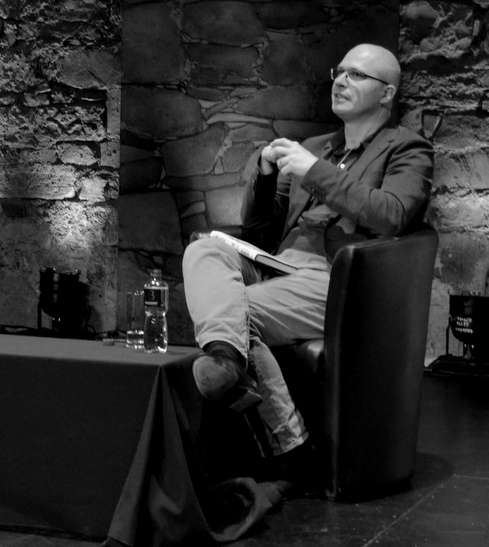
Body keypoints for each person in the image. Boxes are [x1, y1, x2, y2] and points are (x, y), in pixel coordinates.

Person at [182, 44, 433, 485]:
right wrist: (264, 173)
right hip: (280, 266)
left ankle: (286, 438)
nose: (341, 80)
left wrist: (314, 170)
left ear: (387, 93)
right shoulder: (318, 147)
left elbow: (392, 215)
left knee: (232, 313)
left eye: (357, 75)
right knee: (203, 249)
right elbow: (259, 226)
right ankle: (230, 362)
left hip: (341, 280)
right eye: (340, 71)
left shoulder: (407, 149)